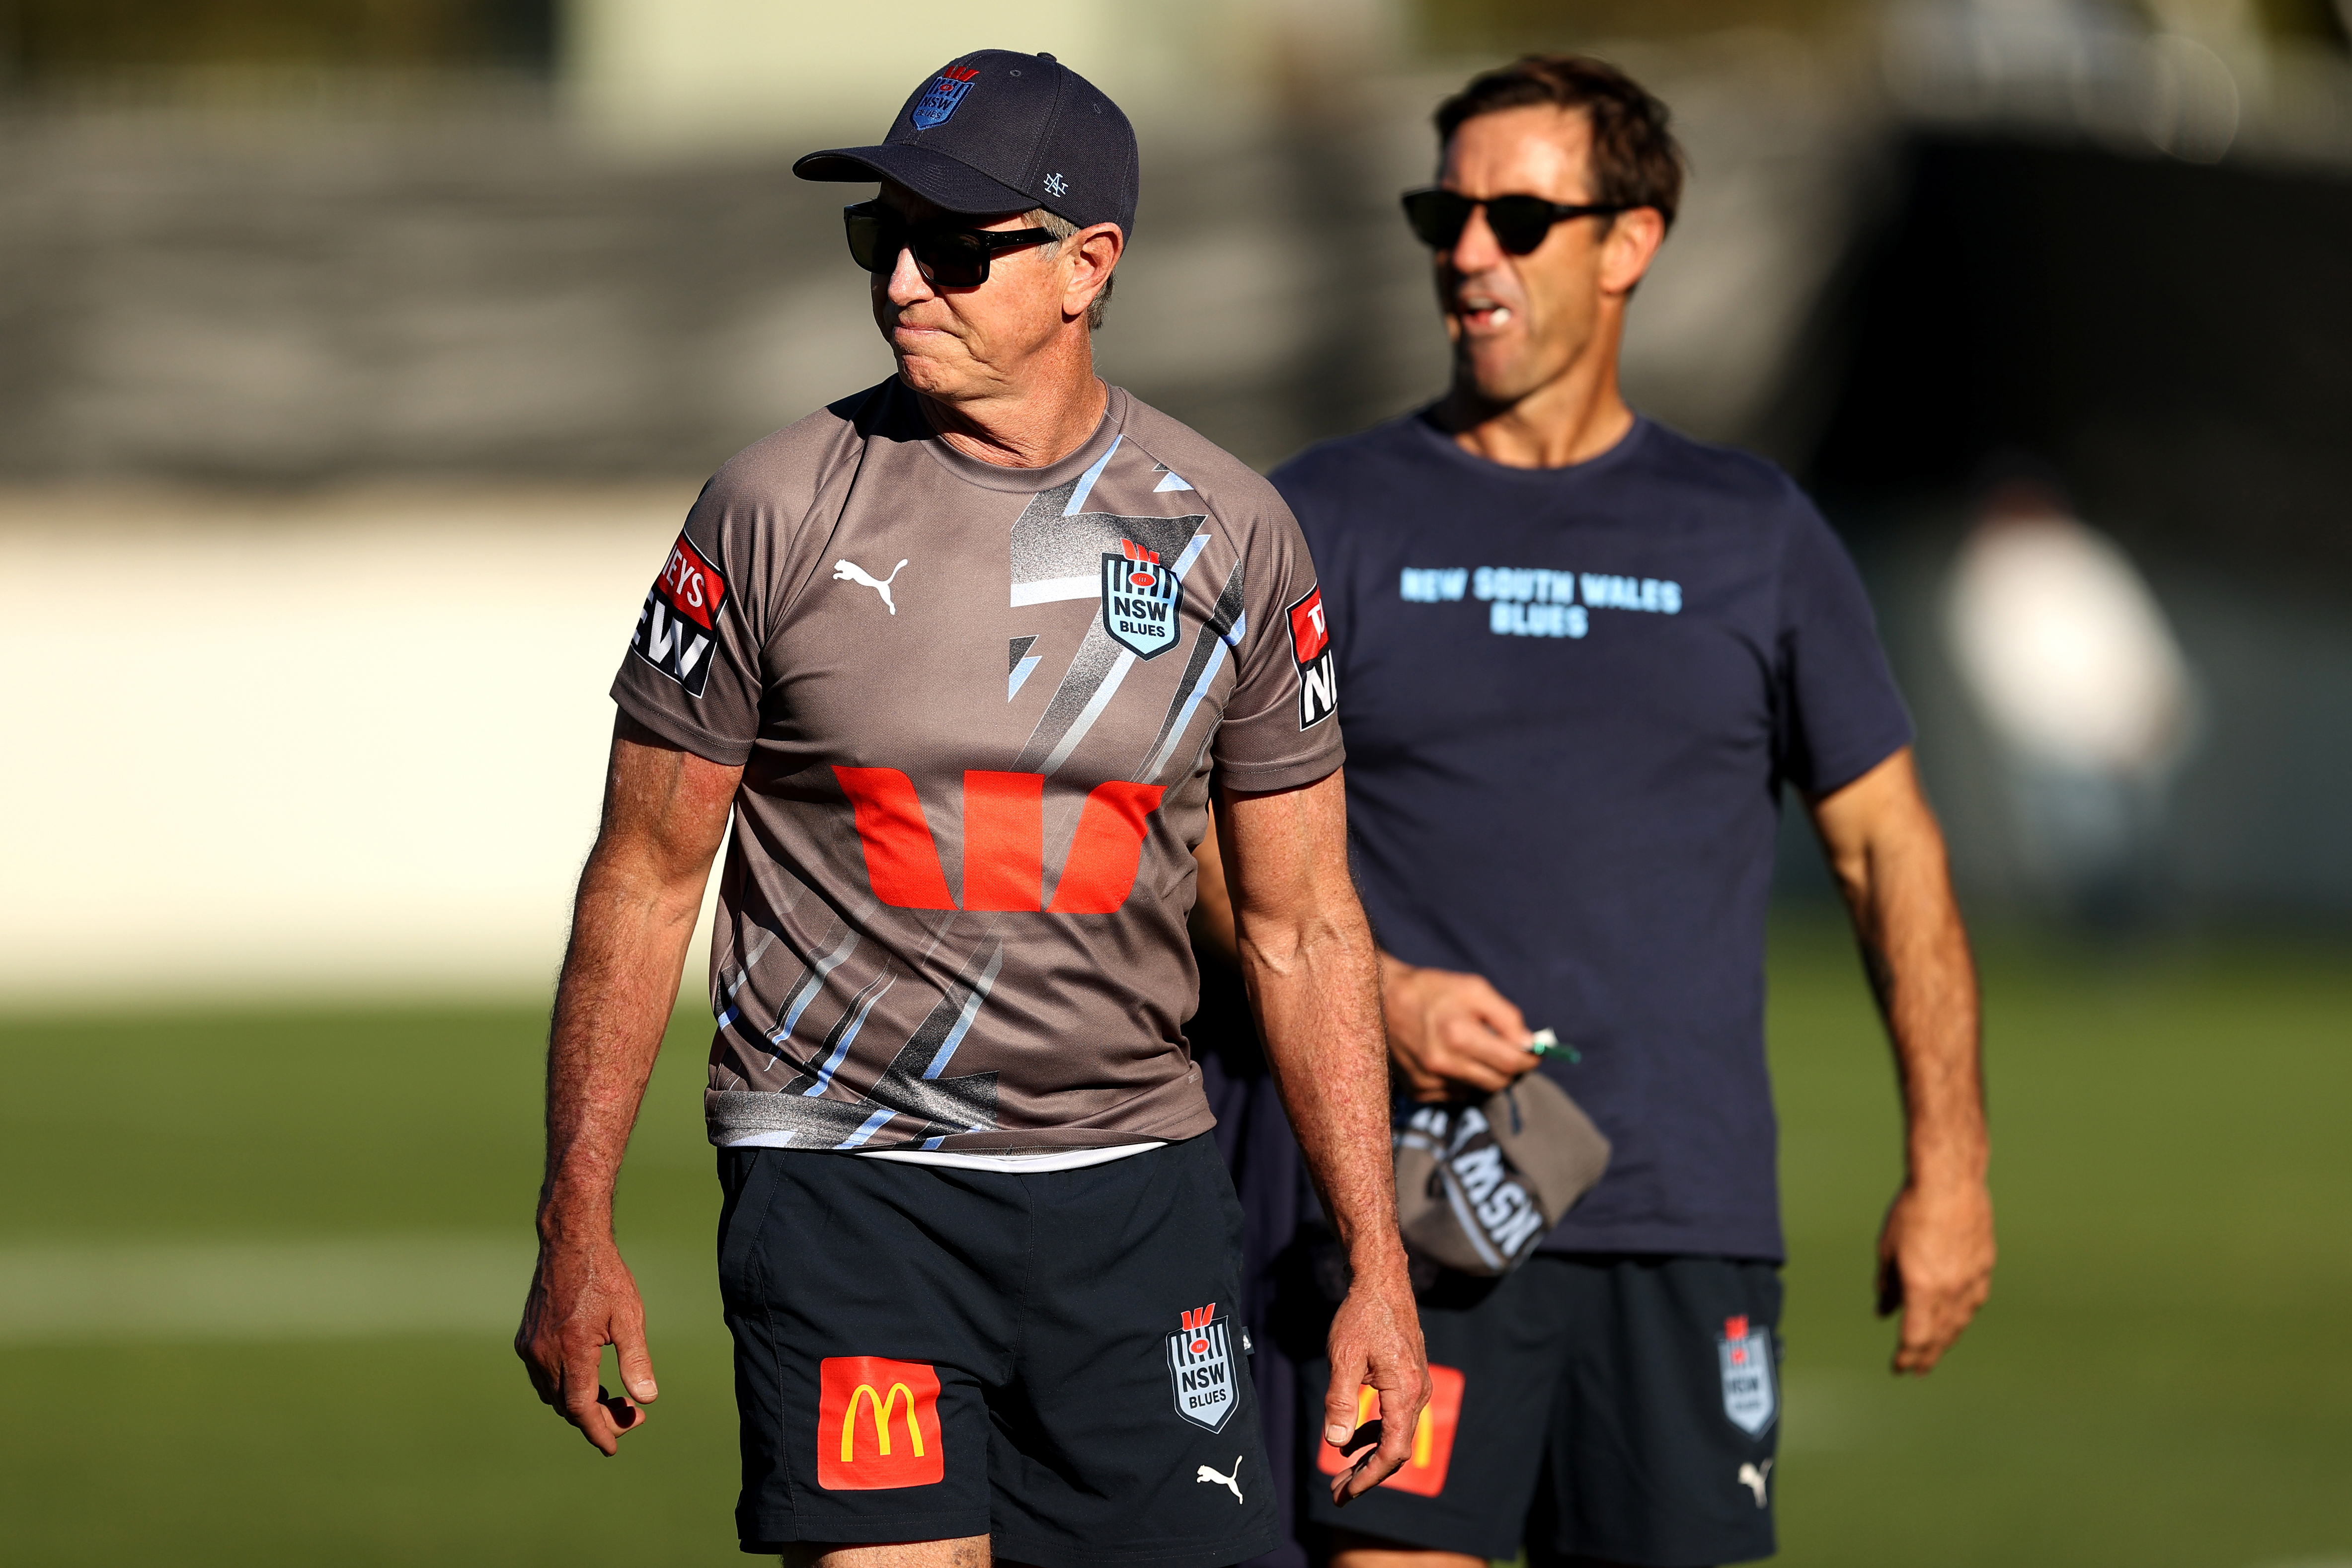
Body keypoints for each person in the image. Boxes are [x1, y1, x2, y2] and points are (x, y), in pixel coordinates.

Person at [513, 49, 1428, 1568]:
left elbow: (1302, 921)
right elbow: (645, 879)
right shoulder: (771, 506)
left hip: (1135, 1195)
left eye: (955, 247)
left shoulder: (1237, 535)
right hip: (847, 1187)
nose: (900, 285)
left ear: (1089, 269)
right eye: (884, 239)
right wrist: (575, 1219)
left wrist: (1375, 1265)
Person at [1191, 53, 1995, 1568]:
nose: (1469, 251)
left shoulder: (1753, 530)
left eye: (1517, 216)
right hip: (1400, 1218)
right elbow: (1189, 847)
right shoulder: (1322, 516)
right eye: (1447, 211)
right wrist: (1386, 995)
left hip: (1682, 1214)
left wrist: (1948, 1166)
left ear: (1632, 242)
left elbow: (1889, 850)